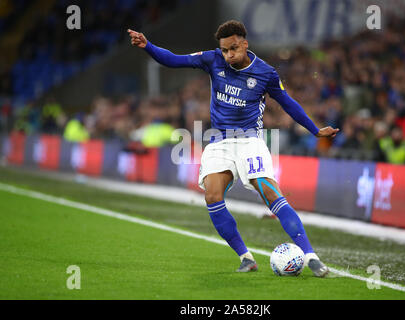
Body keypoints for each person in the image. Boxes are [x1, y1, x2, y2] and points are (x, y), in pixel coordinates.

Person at [128, 21, 339, 277]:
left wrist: (315, 130)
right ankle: (245, 257)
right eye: (225, 50)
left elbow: (289, 103)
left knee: (269, 191)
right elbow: (174, 60)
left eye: (234, 49)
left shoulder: (266, 73)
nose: (229, 55)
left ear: (245, 44)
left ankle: (311, 256)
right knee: (212, 196)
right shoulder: (212, 59)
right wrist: (147, 45)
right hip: (219, 141)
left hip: (250, 140)